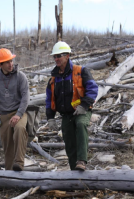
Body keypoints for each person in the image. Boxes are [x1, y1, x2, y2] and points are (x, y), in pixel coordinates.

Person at [45, 41, 98, 171]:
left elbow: (93, 89)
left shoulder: (81, 71)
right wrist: (50, 117)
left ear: (67, 55)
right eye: (55, 56)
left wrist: (84, 105)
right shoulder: (53, 78)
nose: (56, 59)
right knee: (68, 138)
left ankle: (82, 160)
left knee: (80, 125)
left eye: (59, 56)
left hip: (82, 110)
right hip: (66, 114)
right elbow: (49, 99)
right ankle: (74, 170)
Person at [0, 48, 30, 171]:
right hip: (3, 115)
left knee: (20, 129)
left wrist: (18, 115)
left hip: (19, 112)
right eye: (7, 62)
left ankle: (19, 163)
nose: (11, 64)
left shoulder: (21, 77)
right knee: (7, 145)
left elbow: (26, 98)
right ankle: (10, 173)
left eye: (11, 61)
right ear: (0, 64)